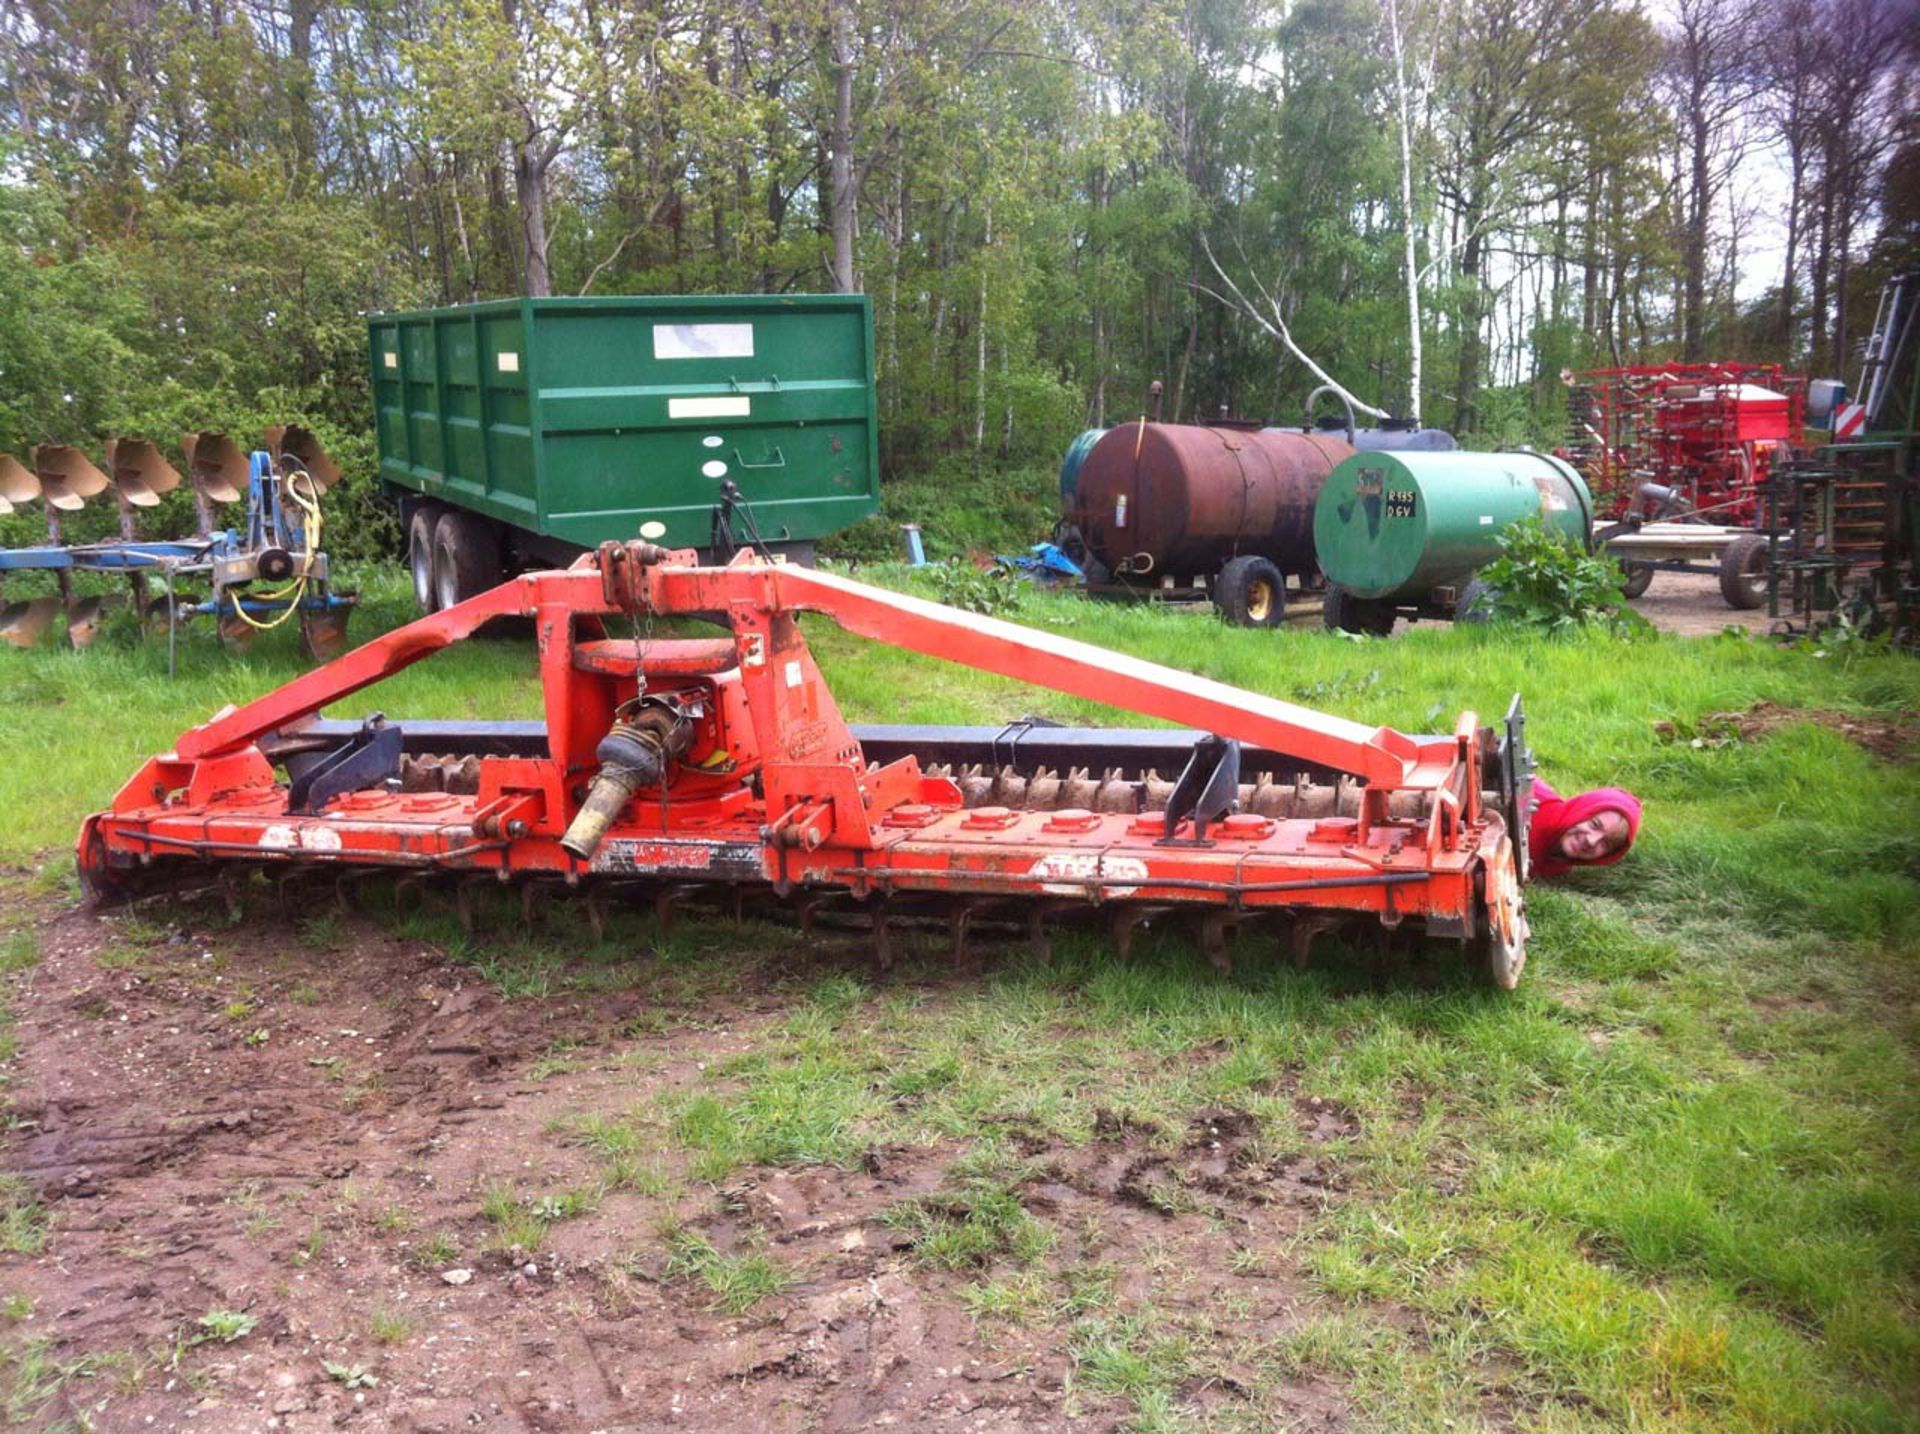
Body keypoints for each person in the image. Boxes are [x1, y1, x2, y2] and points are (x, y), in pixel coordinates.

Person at [1528, 778, 1641, 878]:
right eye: (1594, 825)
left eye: (1606, 844)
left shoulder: (1557, 867)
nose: (1591, 841)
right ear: (1580, 810)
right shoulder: (1529, 798)